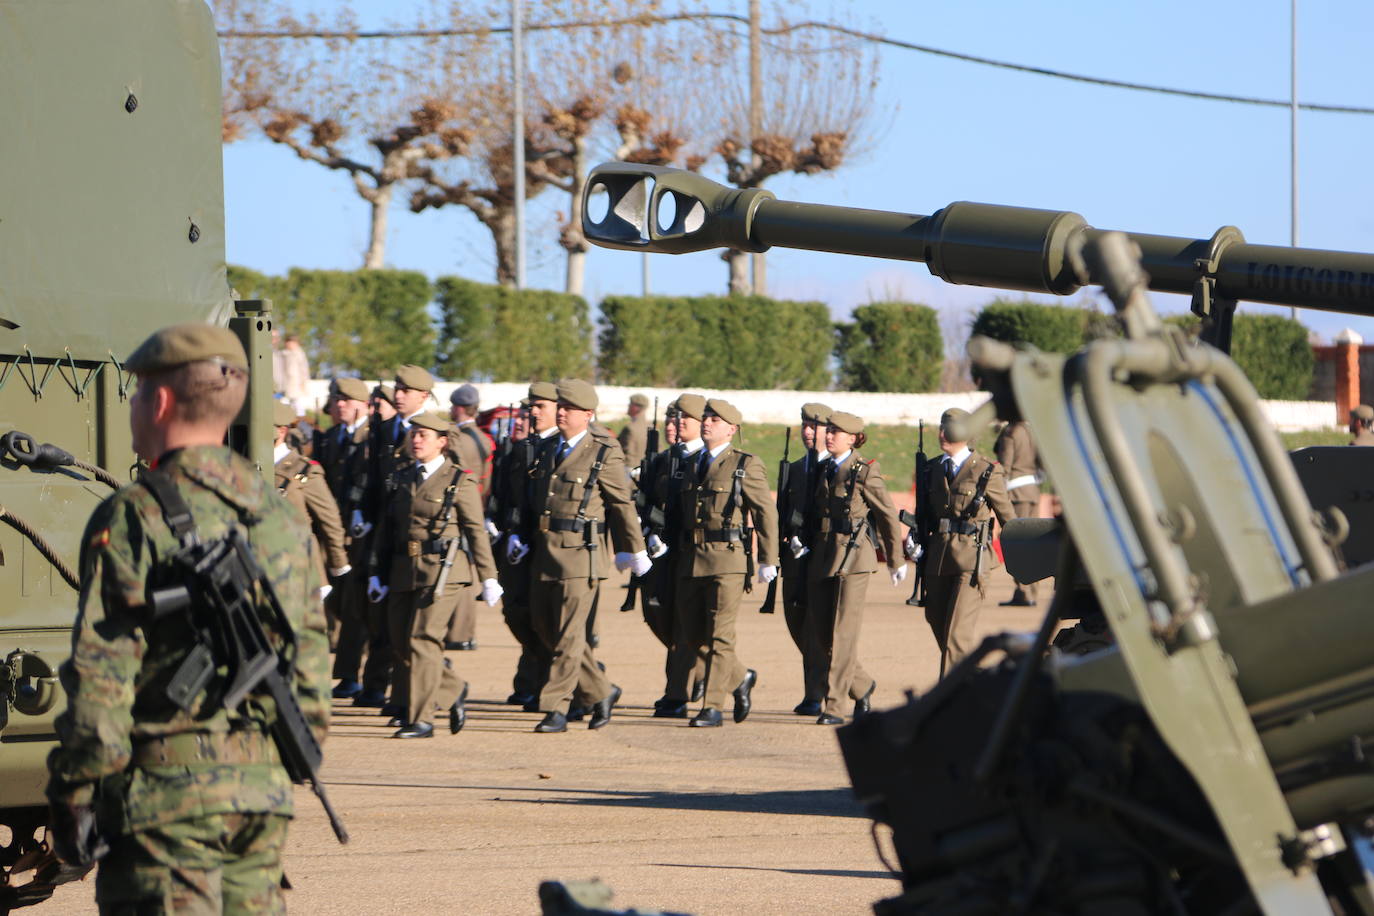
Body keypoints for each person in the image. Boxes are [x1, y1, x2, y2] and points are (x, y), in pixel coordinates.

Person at [46, 322, 329, 911]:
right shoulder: (280, 517)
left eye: (136, 392)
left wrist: (73, 790)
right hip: (261, 797)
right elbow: (310, 673)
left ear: (162, 400)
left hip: (164, 805)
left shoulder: (131, 514)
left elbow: (102, 678)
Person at [507, 379, 650, 733]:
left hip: (580, 556)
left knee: (570, 636)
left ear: (587, 415)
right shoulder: (547, 448)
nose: (561, 413)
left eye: (568, 409)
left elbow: (621, 504)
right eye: (560, 407)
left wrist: (634, 549)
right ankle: (600, 690)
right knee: (545, 628)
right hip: (545, 552)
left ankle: (555, 707)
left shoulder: (604, 451)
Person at [366, 410, 502, 738]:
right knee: (400, 642)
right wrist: (375, 572)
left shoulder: (459, 479)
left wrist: (489, 576)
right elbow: (387, 530)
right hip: (402, 569)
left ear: (442, 442)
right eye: (413, 434)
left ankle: (422, 718)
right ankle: (452, 688)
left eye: (423, 435)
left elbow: (475, 529)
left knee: (422, 640)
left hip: (443, 572)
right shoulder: (402, 476)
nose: (415, 440)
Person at [663, 399, 777, 727]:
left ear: (732, 429)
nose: (707, 422)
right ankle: (740, 677)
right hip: (691, 560)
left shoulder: (744, 465)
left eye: (716, 419)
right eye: (706, 417)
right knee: (692, 636)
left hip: (728, 560)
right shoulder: (691, 463)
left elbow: (765, 512)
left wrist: (768, 558)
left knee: (720, 635)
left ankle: (712, 707)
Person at [805, 411, 905, 726]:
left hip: (854, 557)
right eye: (829, 430)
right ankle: (861, 685)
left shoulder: (864, 472)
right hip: (824, 553)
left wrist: (895, 558)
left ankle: (834, 706)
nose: (829, 435)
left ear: (853, 438)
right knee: (822, 633)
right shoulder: (823, 468)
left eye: (836, 432)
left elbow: (887, 515)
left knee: (843, 632)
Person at [921, 407, 1016, 677]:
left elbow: (1008, 518)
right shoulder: (932, 468)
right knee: (937, 622)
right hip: (938, 558)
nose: (942, 434)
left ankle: (948, 705)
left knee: (955, 636)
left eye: (949, 429)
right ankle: (975, 681)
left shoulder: (987, 471)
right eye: (941, 428)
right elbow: (926, 515)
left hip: (972, 560)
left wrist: (1023, 558)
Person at [314, 377, 381, 701]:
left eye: (346, 400)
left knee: (356, 607)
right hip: (335, 531)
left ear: (361, 404)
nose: (339, 405)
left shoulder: (373, 437)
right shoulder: (330, 438)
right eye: (336, 399)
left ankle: (352, 675)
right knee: (341, 603)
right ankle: (348, 673)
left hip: (362, 535)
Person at [643, 394, 709, 715]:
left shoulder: (707, 461)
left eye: (683, 419)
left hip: (692, 552)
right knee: (656, 615)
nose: (675, 425)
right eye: (672, 419)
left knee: (683, 624)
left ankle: (677, 693)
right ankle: (704, 669)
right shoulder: (661, 461)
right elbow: (647, 503)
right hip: (661, 552)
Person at [489, 389, 554, 710]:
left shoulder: (564, 449)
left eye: (540, 407)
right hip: (517, 546)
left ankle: (545, 684)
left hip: (553, 548)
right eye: (531, 408)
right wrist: (505, 529)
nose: (533, 413)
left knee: (546, 619)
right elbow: (508, 496)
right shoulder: (521, 449)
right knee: (516, 612)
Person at [777, 401, 832, 716]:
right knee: (797, 623)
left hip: (825, 558)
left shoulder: (838, 468)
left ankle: (815, 694)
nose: (808, 432)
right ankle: (859, 683)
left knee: (816, 629)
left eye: (815, 426)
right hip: (796, 558)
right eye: (805, 426)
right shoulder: (795, 469)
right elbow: (781, 513)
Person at [272, 401, 350, 596]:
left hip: (298, 561)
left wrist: (337, 562)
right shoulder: (246, 464)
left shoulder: (303, 468)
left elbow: (329, 518)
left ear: (281, 431)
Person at [444, 382, 495, 651]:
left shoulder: (459, 439)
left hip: (462, 506)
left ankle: (461, 632)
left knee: (461, 570)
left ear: (460, 408)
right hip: (479, 503)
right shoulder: (483, 437)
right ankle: (463, 632)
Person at [994, 418, 1042, 606]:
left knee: (1017, 542)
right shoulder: (1032, 430)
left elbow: (1005, 466)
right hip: (1032, 491)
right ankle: (1033, 590)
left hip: (1015, 491)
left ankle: (1023, 591)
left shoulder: (1011, 432)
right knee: (1033, 543)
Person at [278, 332, 312, 416]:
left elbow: (304, 370)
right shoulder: (283, 354)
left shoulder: (299, 354)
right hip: (284, 384)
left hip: (296, 383)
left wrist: (303, 383)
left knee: (298, 404)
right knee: (284, 403)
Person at [618, 393, 651, 468]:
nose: (628, 406)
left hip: (630, 470)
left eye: (630, 404)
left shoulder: (630, 428)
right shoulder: (652, 427)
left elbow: (627, 454)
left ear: (635, 407)